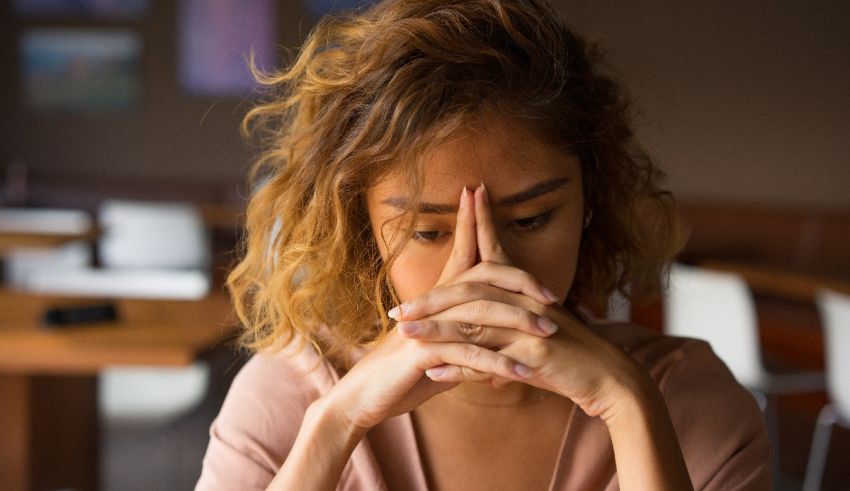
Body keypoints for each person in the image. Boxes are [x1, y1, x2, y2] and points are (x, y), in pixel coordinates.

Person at [196, 0, 771, 489]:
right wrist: (336, 425)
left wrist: (626, 404)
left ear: (590, 205)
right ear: (362, 233)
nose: (482, 271)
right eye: (428, 232)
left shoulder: (689, 402)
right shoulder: (291, 398)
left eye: (531, 219)